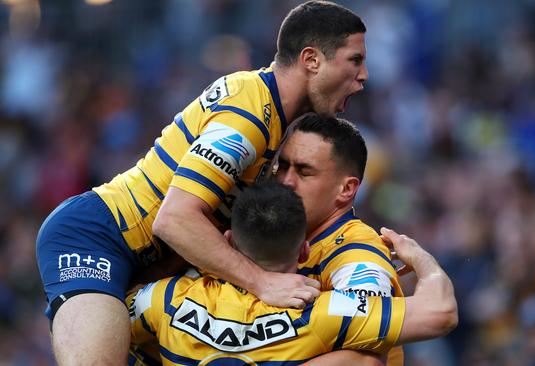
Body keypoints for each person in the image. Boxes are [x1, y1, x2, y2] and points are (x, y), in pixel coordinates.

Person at [35, 1, 368, 364]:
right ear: (312, 59)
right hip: (97, 240)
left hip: (147, 267)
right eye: (354, 60)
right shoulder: (249, 114)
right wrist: (261, 281)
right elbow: (174, 219)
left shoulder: (275, 120)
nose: (363, 75)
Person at [127, 182, 458, 365]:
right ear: (304, 251)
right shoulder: (324, 313)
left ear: (227, 241)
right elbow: (440, 313)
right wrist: (421, 258)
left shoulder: (166, 299)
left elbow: (99, 321)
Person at [274, 114, 407, 365]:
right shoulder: (270, 233)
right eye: (282, 166)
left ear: (346, 189)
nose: (286, 181)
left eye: (304, 172)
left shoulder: (357, 252)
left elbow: (366, 362)